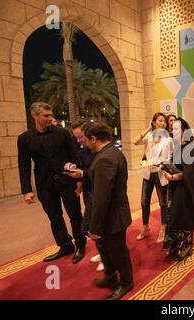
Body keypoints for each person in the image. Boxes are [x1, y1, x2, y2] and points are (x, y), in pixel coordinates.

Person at [67, 121, 133, 300]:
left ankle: (126, 282)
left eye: (86, 140)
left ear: (94, 139)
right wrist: (83, 174)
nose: (84, 144)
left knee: (118, 252)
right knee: (106, 249)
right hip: (112, 213)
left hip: (112, 216)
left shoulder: (105, 158)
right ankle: (111, 278)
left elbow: (102, 198)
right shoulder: (111, 152)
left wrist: (94, 227)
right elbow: (102, 177)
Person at [17, 102, 86, 264]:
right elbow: (24, 165)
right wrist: (26, 190)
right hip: (45, 185)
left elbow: (74, 156)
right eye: (46, 116)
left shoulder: (63, 133)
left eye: (51, 115)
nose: (50, 118)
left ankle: (80, 244)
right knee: (54, 218)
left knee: (75, 214)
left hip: (67, 181)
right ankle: (65, 245)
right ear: (35, 115)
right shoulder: (24, 139)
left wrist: (79, 180)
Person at [161, 118, 194, 260]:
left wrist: (173, 177)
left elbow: (189, 173)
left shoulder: (191, 149)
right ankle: (175, 246)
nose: (174, 131)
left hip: (185, 191)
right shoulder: (178, 147)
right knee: (175, 217)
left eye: (177, 129)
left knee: (184, 218)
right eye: (173, 129)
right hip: (175, 190)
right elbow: (176, 167)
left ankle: (184, 248)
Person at [68, 120, 103, 271]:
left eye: (81, 137)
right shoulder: (86, 149)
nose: (79, 141)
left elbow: (98, 172)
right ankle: (103, 253)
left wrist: (82, 173)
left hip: (98, 192)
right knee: (91, 226)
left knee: (93, 226)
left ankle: (107, 256)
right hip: (88, 191)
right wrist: (72, 167)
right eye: (76, 138)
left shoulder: (100, 151)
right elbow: (85, 166)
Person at [134, 112, 173, 242]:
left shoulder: (168, 139)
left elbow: (170, 156)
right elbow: (135, 142)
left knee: (163, 203)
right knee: (144, 203)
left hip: (160, 174)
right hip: (147, 173)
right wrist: (148, 129)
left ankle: (163, 228)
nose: (163, 123)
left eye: (164, 121)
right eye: (160, 120)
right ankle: (145, 227)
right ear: (154, 122)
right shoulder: (149, 136)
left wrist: (162, 164)